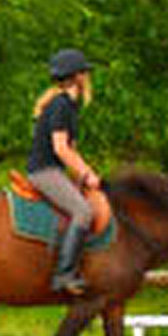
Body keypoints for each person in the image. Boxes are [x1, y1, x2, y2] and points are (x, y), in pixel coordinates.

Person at [27, 48, 109, 295]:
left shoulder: (69, 106)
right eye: (85, 72)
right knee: (83, 212)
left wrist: (87, 173)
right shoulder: (61, 105)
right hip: (44, 171)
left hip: (55, 170)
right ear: (76, 77)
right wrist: (85, 175)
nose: (87, 76)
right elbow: (61, 149)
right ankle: (63, 275)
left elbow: (72, 149)